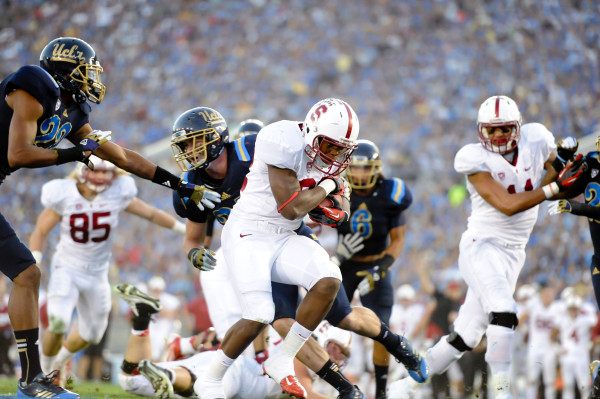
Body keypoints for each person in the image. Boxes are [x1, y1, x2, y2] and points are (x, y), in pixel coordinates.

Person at [0, 36, 218, 399]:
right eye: (87, 71)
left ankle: (31, 381)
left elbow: (123, 158)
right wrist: (75, 155)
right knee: (27, 273)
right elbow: (19, 154)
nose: (93, 78)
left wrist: (180, 185)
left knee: (27, 275)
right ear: (66, 69)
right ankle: (32, 379)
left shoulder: (73, 112)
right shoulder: (31, 83)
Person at [168, 104, 426, 398]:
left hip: (288, 233)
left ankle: (395, 345)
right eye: (186, 144)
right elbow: (291, 206)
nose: (189, 150)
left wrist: (335, 205)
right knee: (267, 316)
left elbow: (335, 204)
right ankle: (341, 387)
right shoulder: (269, 144)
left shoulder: (311, 153)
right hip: (248, 237)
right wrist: (194, 253)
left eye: (193, 141)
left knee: (334, 291)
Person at [388, 95, 585, 399]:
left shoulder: (537, 138)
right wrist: (557, 186)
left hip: (514, 252)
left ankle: (405, 384)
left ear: (517, 127)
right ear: (481, 132)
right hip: (482, 245)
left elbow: (550, 177)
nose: (498, 136)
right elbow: (508, 205)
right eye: (491, 130)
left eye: (504, 128)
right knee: (504, 309)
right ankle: (502, 392)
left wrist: (565, 173)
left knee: (466, 335)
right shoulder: (473, 158)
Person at [29, 156, 186, 383]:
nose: (102, 177)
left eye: (106, 172)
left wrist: (184, 231)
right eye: (97, 171)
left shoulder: (117, 193)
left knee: (92, 334)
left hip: (97, 272)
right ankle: (43, 373)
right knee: (58, 320)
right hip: (67, 267)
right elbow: (41, 230)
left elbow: (150, 213)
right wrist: (36, 259)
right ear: (82, 171)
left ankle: (59, 361)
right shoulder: (65, 194)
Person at [115, 283, 354, 399]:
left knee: (130, 381)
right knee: (203, 388)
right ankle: (170, 376)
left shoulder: (288, 330)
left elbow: (261, 325)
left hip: (226, 361)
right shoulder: (303, 351)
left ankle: (142, 322)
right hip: (237, 375)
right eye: (335, 348)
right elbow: (307, 394)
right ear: (320, 338)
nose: (337, 356)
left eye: (342, 353)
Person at [333, 139, 415, 398]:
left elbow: (398, 239)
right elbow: (312, 228)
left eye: (365, 168)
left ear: (376, 169)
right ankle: (330, 382)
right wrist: (335, 256)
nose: (359, 174)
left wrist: (382, 268)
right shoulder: (337, 188)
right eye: (355, 168)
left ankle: (380, 393)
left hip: (375, 266)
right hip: (345, 265)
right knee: (326, 318)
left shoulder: (391, 193)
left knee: (381, 328)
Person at [549, 136, 600, 399]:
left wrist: (575, 207)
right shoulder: (592, 163)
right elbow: (558, 188)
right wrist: (562, 160)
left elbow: (581, 205)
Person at [518, 284, 560, 399]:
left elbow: (560, 326)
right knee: (532, 379)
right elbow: (521, 319)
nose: (547, 297)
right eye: (545, 295)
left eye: (550, 295)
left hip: (549, 348)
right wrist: (523, 329)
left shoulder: (557, 308)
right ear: (540, 296)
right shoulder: (534, 305)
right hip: (534, 347)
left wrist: (555, 333)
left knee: (550, 381)